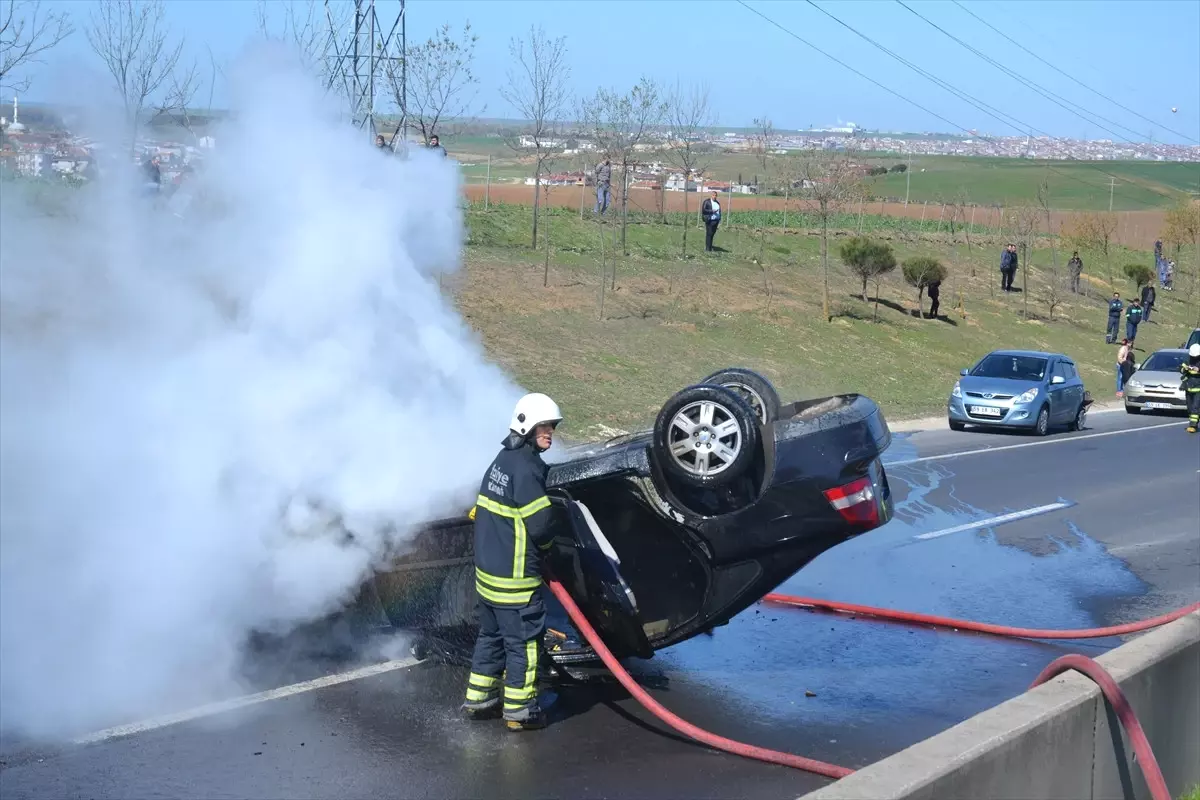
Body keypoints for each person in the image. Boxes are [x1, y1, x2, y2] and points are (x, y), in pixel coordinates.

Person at [461, 392, 564, 732]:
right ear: (528, 427)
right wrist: (552, 548)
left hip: (488, 577)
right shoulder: (525, 471)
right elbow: (541, 526)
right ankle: (520, 711)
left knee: (490, 637)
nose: (550, 432)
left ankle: (479, 700)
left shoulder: (503, 461)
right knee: (524, 645)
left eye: (552, 426)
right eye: (545, 426)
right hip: (515, 582)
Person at [1182, 343, 1200, 433]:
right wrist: (1185, 368)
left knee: (1195, 407)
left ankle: (1193, 425)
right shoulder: (1188, 360)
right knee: (1190, 407)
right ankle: (1194, 421)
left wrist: (1198, 370)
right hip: (1188, 387)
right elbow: (1181, 368)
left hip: (1198, 389)